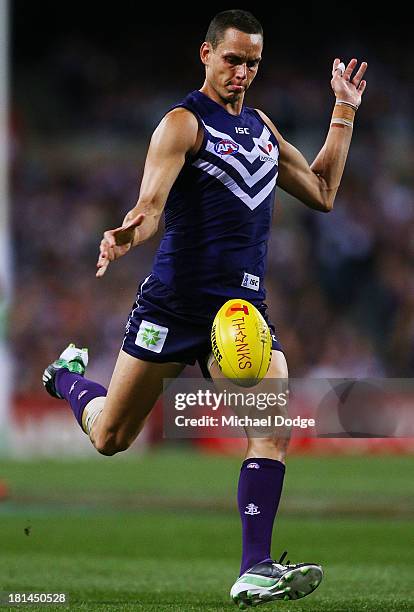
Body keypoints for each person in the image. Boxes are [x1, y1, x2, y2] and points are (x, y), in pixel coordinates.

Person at [43, 9, 367, 608]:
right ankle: (65, 378)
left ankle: (255, 568)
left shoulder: (265, 130)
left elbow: (322, 192)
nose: (243, 71)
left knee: (272, 427)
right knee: (112, 436)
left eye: (253, 63)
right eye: (233, 59)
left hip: (239, 318)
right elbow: (150, 204)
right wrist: (125, 233)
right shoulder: (182, 124)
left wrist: (342, 112)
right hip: (172, 309)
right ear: (206, 54)